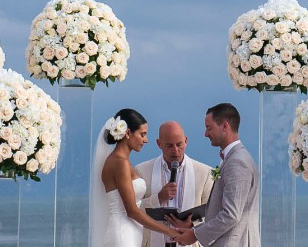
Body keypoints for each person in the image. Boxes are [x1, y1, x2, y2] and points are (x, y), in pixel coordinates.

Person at [90, 108, 186, 247]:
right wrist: (170, 231)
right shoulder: (119, 163)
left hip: (131, 232)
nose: (145, 140)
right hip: (123, 234)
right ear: (128, 133)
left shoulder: (122, 161)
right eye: (142, 134)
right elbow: (132, 211)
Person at [168, 103, 259, 247]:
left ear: (225, 126)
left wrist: (194, 235)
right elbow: (220, 206)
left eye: (209, 128)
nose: (205, 133)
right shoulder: (232, 158)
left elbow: (231, 215)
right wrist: (192, 226)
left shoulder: (238, 162)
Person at [139, 121, 216, 247]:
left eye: (179, 144)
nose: (175, 151)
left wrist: (192, 225)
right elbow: (134, 211)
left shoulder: (205, 173)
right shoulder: (142, 171)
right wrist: (158, 198)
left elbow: (213, 213)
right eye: (169, 146)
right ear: (159, 144)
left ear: (186, 141)